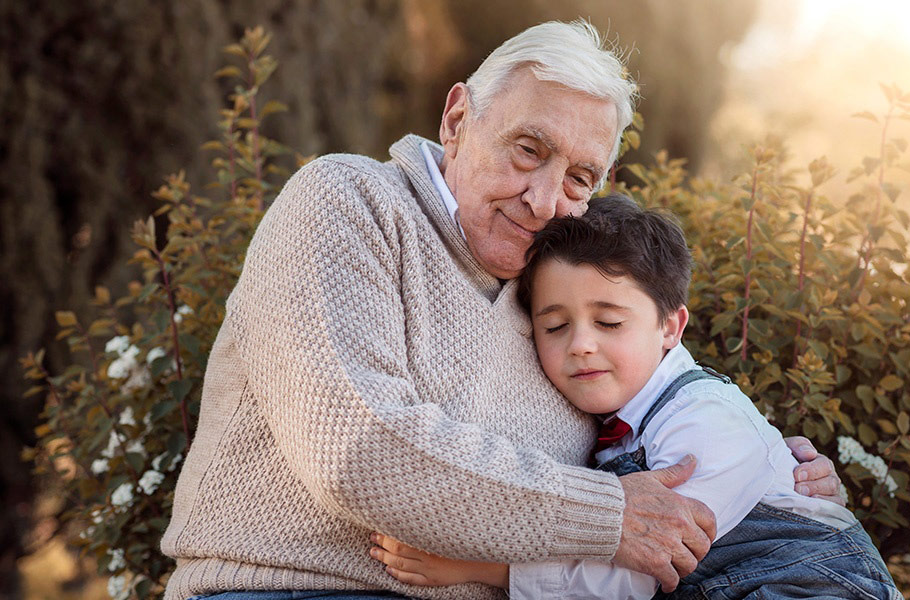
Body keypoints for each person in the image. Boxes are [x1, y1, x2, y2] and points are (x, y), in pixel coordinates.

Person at [160, 20, 844, 600]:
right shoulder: (349, 202)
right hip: (295, 588)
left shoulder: (553, 288)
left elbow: (664, 398)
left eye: (579, 177)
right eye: (528, 149)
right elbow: (359, 450)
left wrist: (777, 481)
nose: (546, 200)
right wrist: (609, 516)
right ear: (457, 119)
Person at [368, 196, 901, 600]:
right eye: (553, 327)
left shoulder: (703, 421)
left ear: (671, 326)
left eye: (609, 321)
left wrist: (480, 568)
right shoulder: (616, 424)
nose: (581, 344)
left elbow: (643, 564)